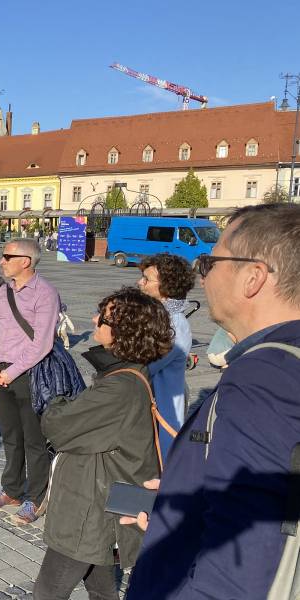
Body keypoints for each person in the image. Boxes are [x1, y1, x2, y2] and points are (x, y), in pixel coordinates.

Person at [126, 204, 300, 599]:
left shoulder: (263, 379)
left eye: (210, 262)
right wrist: (177, 501)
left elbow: (241, 564)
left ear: (252, 277)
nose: (201, 275)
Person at [34, 287, 172, 600]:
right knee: (101, 589)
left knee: (47, 592)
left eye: (104, 317)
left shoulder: (121, 387)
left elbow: (59, 427)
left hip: (90, 509)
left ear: (124, 333)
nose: (95, 318)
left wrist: (55, 399)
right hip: (96, 501)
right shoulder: (123, 375)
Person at [0, 238, 59, 524]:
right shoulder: (3, 292)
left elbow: (42, 344)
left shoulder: (45, 294)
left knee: (34, 440)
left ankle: (36, 498)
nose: (1, 261)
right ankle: (12, 489)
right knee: (11, 435)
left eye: (7, 256)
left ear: (25, 261)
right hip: (0, 373)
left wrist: (11, 372)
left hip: (29, 374)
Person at [137, 254, 195, 461]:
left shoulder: (174, 324)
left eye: (146, 279)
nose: (140, 283)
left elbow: (145, 366)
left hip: (163, 410)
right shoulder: (154, 316)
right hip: (145, 407)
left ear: (166, 287)